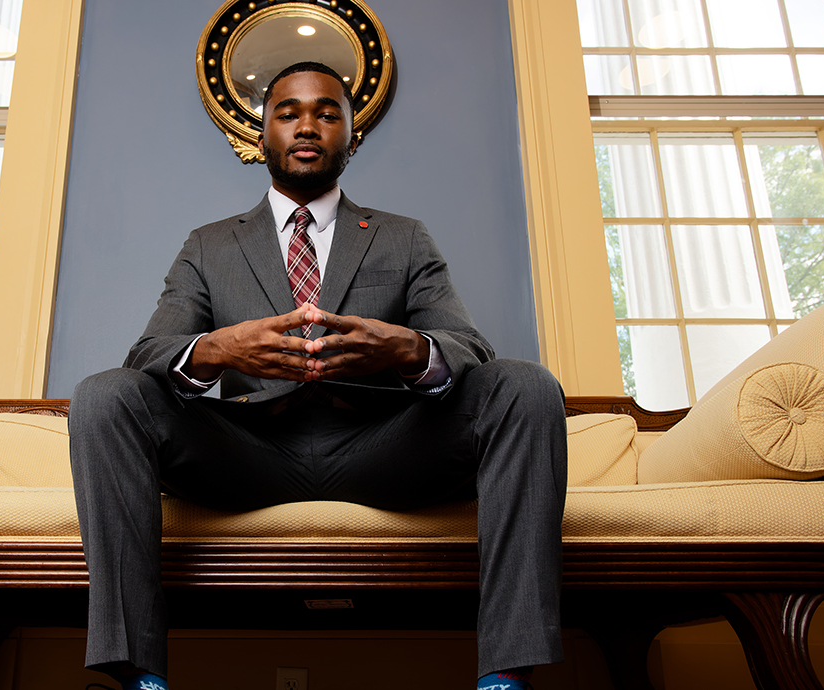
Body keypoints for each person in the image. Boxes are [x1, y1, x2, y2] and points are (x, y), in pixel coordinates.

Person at [69, 61, 567, 690]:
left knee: (526, 384)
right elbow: (148, 356)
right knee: (104, 395)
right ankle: (139, 676)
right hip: (247, 452)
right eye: (289, 112)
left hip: (380, 449)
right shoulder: (210, 245)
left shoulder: (403, 238)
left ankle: (505, 675)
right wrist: (218, 350)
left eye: (328, 113)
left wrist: (410, 350)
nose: (308, 125)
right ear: (263, 134)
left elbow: (469, 347)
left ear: (351, 138)